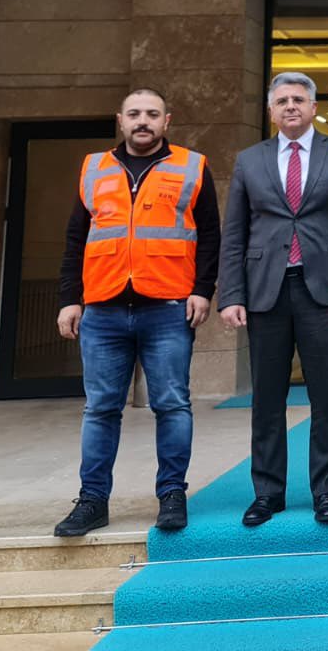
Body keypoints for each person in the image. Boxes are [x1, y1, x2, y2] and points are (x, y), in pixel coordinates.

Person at [53, 87, 220, 538]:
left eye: (151, 113)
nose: (142, 121)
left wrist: (202, 290)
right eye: (134, 114)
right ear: (120, 120)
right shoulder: (94, 168)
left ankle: (172, 495)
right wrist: (70, 298)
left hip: (168, 306)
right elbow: (76, 238)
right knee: (100, 409)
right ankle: (92, 501)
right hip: (103, 308)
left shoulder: (191, 166)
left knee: (172, 405)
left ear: (167, 121)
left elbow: (210, 234)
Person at [218, 72, 328, 528]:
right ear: (271, 111)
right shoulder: (250, 160)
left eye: (299, 100)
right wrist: (231, 294)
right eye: (282, 101)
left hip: (322, 291)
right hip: (265, 292)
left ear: (314, 108)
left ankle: (325, 491)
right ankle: (267, 493)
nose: (290, 107)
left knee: (327, 398)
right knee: (266, 399)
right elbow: (235, 232)